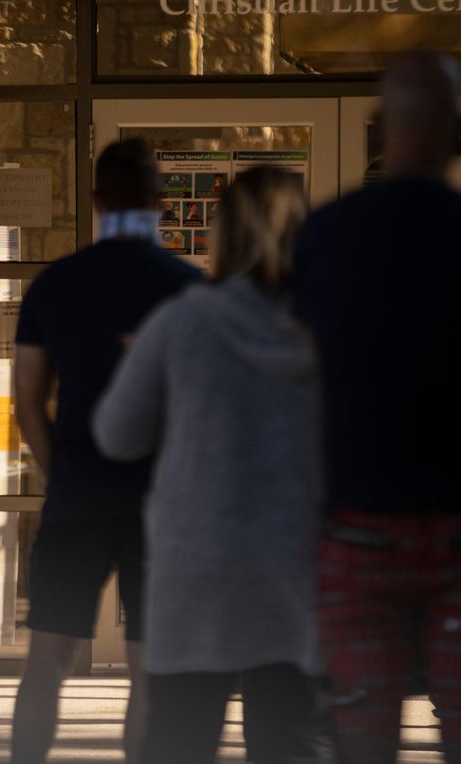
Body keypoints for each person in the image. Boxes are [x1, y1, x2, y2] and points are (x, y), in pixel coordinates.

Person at [294, 52, 461, 764]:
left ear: (378, 128)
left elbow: (297, 377)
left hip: (357, 521)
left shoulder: (323, 237)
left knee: (362, 730)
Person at [94, 168, 326, 764]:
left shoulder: (184, 322)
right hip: (301, 574)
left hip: (196, 571)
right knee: (293, 744)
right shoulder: (334, 327)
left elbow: (116, 434)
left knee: (178, 741)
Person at [10, 138, 202, 764]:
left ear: (95, 199)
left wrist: (58, 472)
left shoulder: (55, 286)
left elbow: (27, 401)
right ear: (160, 201)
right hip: (163, 506)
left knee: (48, 661)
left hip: (77, 500)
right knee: (150, 668)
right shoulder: (189, 290)